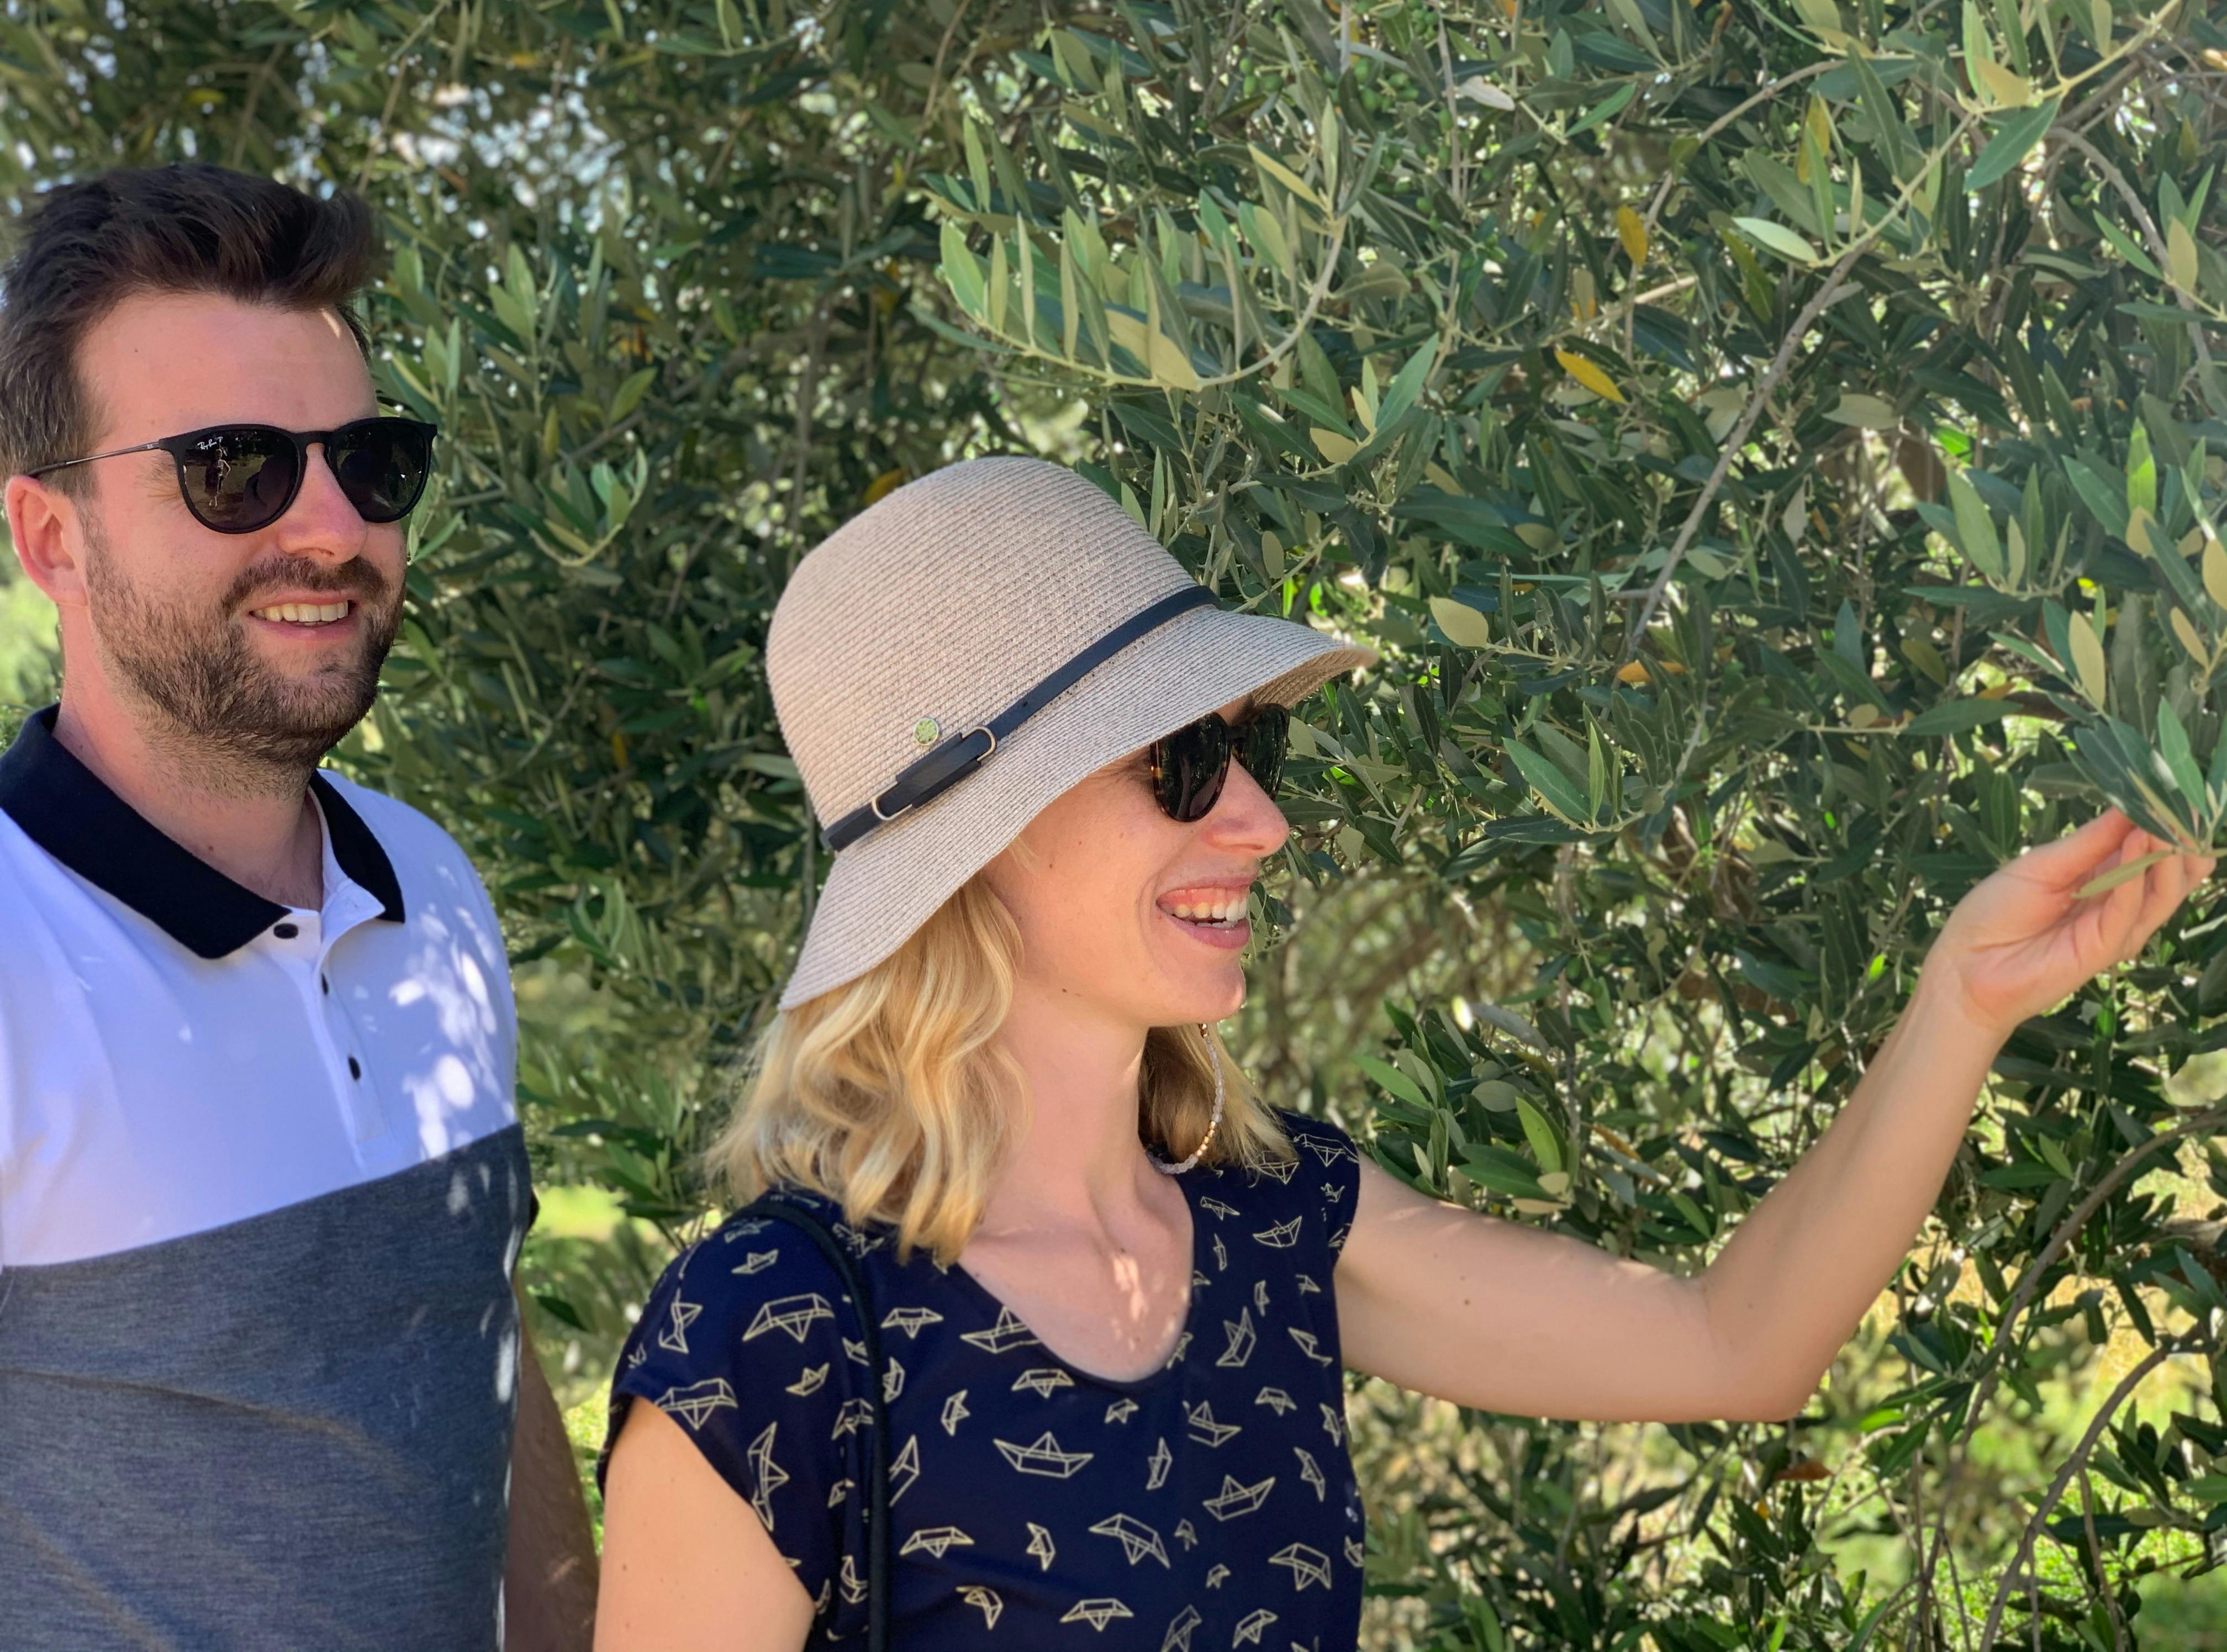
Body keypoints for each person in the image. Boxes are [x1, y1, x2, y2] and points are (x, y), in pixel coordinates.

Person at [592, 457, 2210, 1650]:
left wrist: (1962, 1005)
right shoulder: (779, 1336)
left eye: (1255, 748)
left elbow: (1735, 1343)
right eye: (1180, 763)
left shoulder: (1274, 1222)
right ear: (971, 851)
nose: (1264, 818)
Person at [0, 165, 596, 1651]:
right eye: (232, 467)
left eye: (371, 462)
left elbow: (484, 1337)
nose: (331, 528)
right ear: (49, 538)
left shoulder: (430, 884)